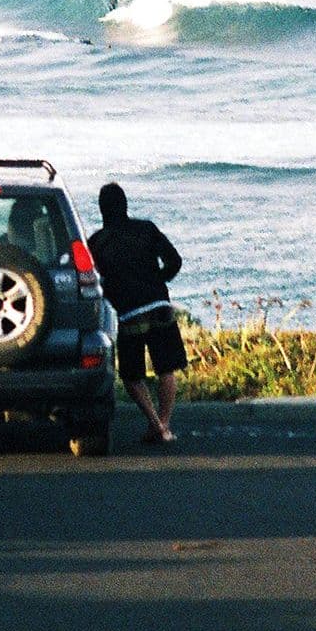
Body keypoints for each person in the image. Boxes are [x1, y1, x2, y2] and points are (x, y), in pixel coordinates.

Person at [86, 182, 185, 444]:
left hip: (130, 313)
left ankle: (155, 424)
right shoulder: (147, 229)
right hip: (159, 306)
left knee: (131, 376)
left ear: (102, 209)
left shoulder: (97, 242)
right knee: (167, 368)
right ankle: (164, 423)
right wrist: (158, 282)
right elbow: (175, 261)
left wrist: (115, 295)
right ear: (126, 205)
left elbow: (94, 281)